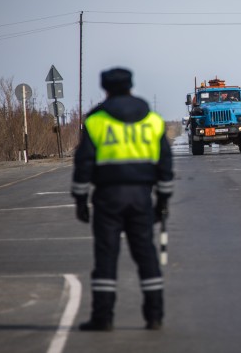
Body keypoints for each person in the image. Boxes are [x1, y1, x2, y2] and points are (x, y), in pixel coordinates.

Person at [71, 67, 174, 331]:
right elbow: (165, 163)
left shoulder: (96, 121)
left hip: (107, 198)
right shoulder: (151, 120)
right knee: (146, 255)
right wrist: (162, 200)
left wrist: (80, 199)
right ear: (131, 86)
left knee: (106, 257)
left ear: (105, 88)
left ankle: (103, 318)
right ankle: (155, 315)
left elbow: (84, 163)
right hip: (141, 196)